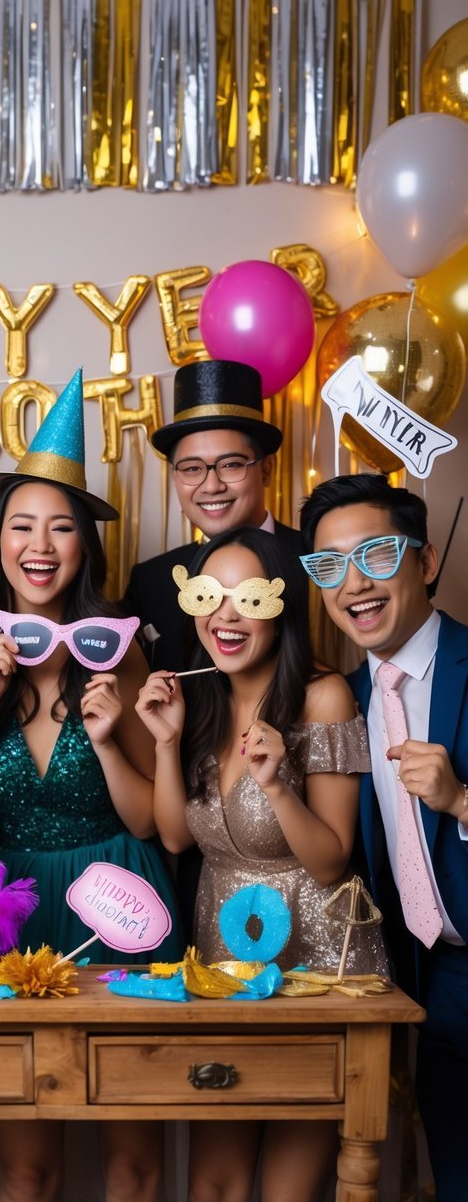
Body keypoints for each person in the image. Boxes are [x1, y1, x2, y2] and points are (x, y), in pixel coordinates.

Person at [0, 369, 184, 1202]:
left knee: (133, 1159)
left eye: (60, 528)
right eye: (21, 526)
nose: (39, 546)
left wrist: (109, 728)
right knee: (25, 1165)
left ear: (85, 545)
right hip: (8, 909)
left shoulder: (118, 649)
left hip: (120, 898)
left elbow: (152, 822)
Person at [135, 526, 388, 1202]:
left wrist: (276, 784)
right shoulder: (203, 697)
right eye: (210, 595)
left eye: (247, 596)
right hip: (224, 952)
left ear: (282, 604)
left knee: (287, 1191)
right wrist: (164, 741)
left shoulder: (322, 696)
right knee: (212, 1184)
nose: (225, 614)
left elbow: (332, 861)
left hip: (313, 956)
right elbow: (176, 838)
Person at [300, 473, 468, 1202]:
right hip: (428, 981)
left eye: (374, 555)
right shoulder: (342, 700)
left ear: (424, 562)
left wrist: (461, 798)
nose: (353, 584)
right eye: (329, 566)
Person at [124, 359, 301, 672]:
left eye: (231, 464)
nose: (212, 485)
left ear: (267, 469)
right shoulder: (150, 581)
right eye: (192, 469)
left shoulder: (318, 560)